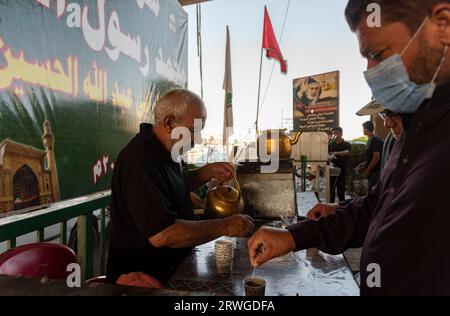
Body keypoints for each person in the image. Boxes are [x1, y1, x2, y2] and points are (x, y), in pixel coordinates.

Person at [248, 0, 450, 295]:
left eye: (379, 54)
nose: (370, 71)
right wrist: (293, 236)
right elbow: (374, 210)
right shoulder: (415, 127)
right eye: (366, 58)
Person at [106, 89, 254, 285]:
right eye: (194, 130)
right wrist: (225, 225)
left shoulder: (170, 152)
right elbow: (162, 234)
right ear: (169, 123)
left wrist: (207, 172)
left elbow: (173, 185)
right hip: (142, 281)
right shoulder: (139, 160)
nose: (198, 139)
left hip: (175, 268)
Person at [356, 121, 383, 190]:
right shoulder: (370, 140)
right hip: (373, 172)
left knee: (373, 193)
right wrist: (362, 164)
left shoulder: (375, 140)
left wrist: (367, 171)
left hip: (376, 172)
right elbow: (371, 157)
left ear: (366, 128)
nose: (363, 130)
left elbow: (376, 158)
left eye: (363, 128)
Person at [328, 127, 352, 202]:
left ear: (341, 134)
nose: (335, 135)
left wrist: (336, 153)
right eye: (333, 133)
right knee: (331, 191)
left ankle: (341, 208)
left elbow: (347, 152)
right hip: (331, 171)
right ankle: (330, 207)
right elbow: (327, 154)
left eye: (336, 133)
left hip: (342, 170)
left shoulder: (347, 144)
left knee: (340, 191)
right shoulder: (331, 144)